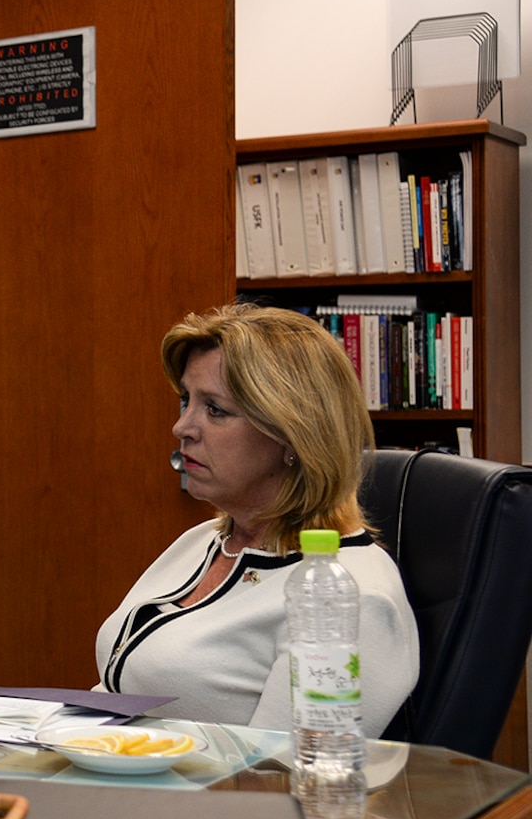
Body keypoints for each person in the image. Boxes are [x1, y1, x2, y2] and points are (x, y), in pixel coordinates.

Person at [95, 304, 419, 737]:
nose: (181, 427)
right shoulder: (204, 540)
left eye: (216, 410)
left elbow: (284, 774)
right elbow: (113, 693)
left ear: (292, 433)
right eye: (186, 401)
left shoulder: (350, 596)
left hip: (208, 802)